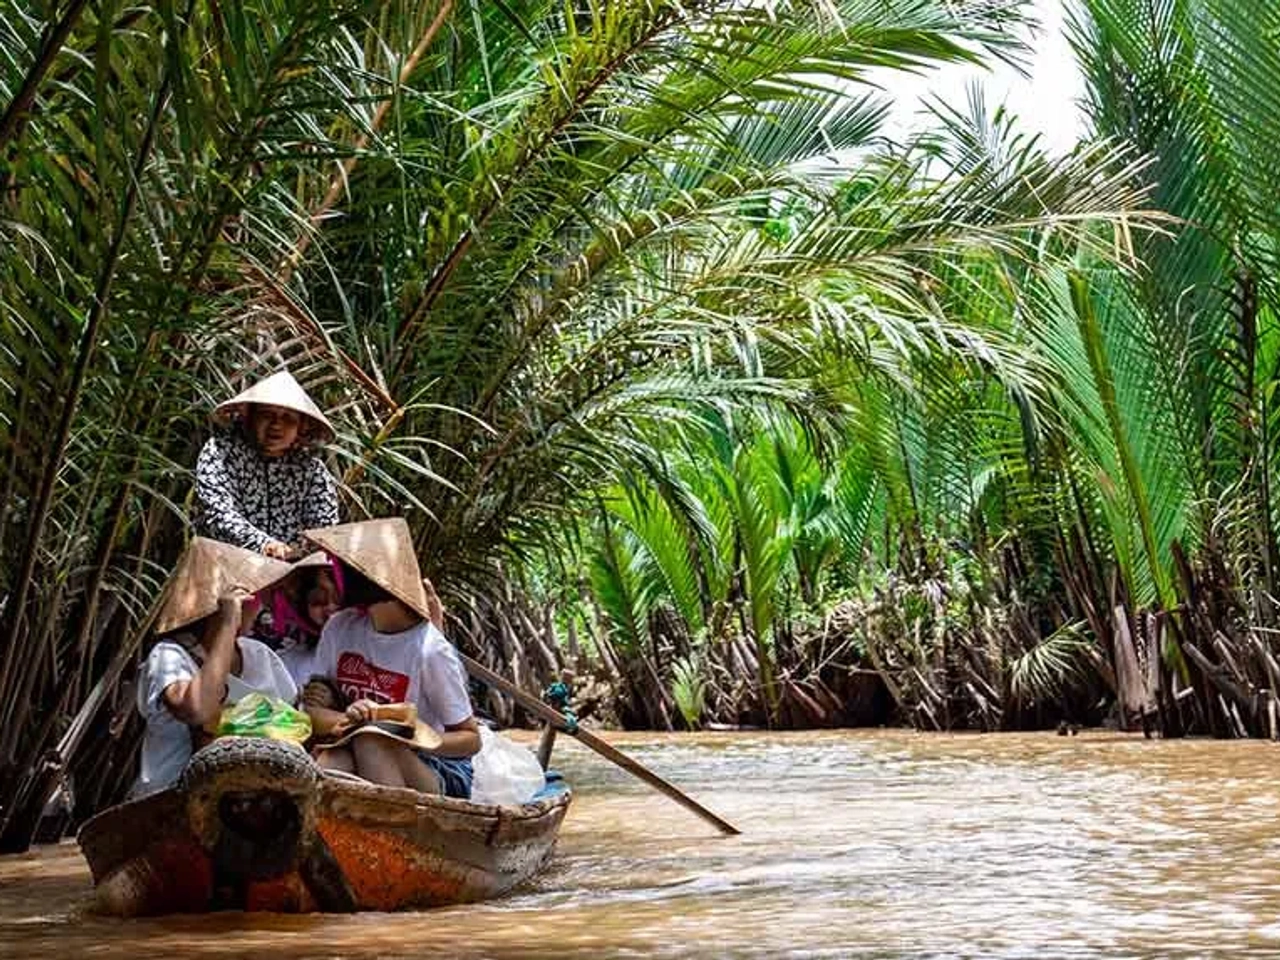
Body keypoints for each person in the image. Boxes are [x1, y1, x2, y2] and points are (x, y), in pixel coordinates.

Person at [301, 518, 480, 798]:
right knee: (335, 758)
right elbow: (312, 710)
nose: (333, 579)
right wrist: (353, 717)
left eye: (342, 569)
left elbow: (470, 739)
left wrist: (414, 734)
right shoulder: (340, 628)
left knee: (371, 740)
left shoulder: (429, 650)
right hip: (356, 744)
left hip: (436, 766)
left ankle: (398, 823)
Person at [130, 538, 299, 799]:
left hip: (255, 796)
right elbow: (197, 709)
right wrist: (227, 623)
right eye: (252, 598)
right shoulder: (170, 655)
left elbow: (293, 718)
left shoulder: (259, 654)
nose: (260, 606)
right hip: (173, 798)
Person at [195, 370, 339, 560]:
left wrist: (302, 557)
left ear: (301, 427)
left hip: (293, 569)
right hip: (228, 564)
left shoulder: (311, 471)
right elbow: (218, 514)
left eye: (288, 418)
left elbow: (325, 529)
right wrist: (265, 546)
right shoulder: (221, 452)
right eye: (267, 415)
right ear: (250, 417)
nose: (276, 425)